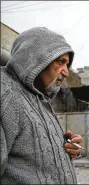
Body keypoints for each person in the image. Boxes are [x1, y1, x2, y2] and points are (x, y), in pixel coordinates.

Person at [1, 27, 82, 184]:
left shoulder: (40, 101)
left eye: (67, 65)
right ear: (37, 59)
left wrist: (66, 149)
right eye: (61, 62)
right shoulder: (5, 92)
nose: (66, 72)